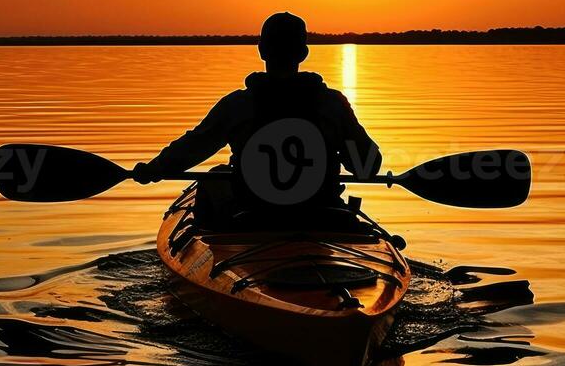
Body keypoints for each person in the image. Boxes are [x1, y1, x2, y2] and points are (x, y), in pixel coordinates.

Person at [132, 12, 381, 224]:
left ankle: (209, 247)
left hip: (252, 217)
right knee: (218, 172)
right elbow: (367, 167)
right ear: (303, 54)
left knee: (213, 177)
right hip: (323, 215)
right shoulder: (332, 105)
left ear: (261, 50)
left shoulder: (238, 105)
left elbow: (193, 148)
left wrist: (153, 169)